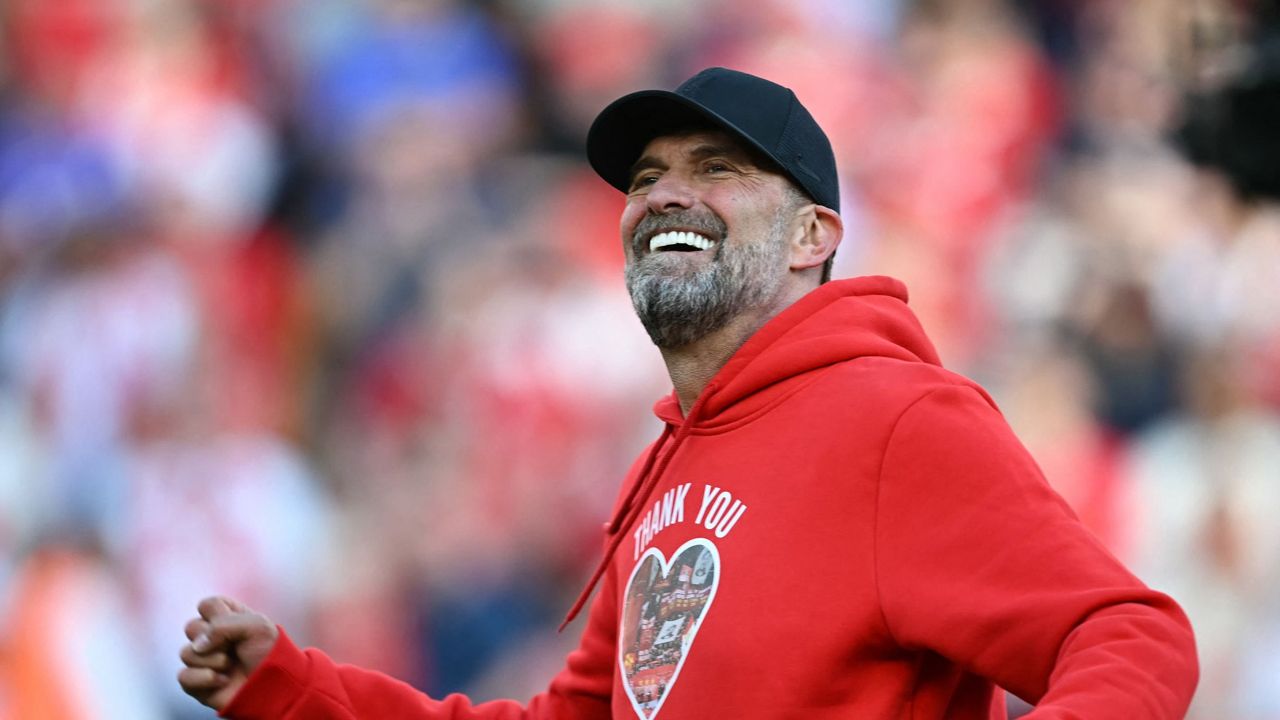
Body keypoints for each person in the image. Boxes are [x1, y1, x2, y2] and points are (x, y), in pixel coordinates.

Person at [179, 67, 1198, 719]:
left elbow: (1129, 636)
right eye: (645, 178)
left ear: (812, 237)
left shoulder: (898, 421)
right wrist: (295, 689)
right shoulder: (664, 469)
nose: (665, 193)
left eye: (716, 169)